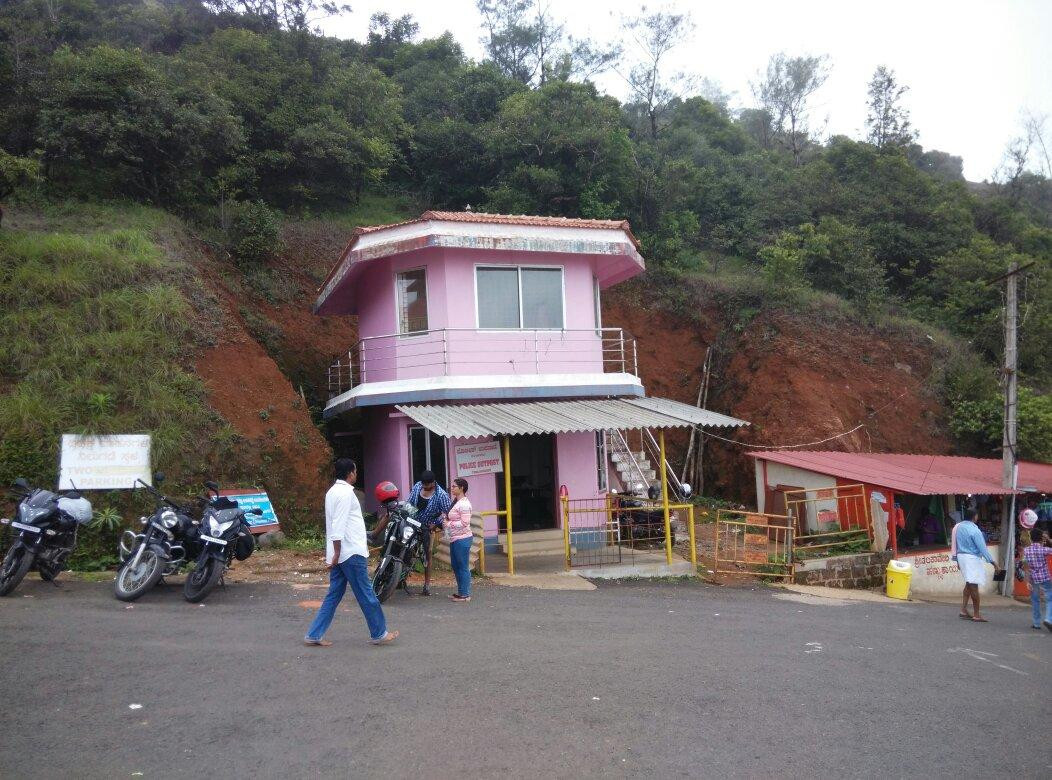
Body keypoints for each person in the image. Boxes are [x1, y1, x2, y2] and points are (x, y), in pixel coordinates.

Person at [304, 459, 397, 647]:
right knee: (366, 593)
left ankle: (314, 634)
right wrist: (337, 553)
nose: (356, 474)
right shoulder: (346, 494)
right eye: (355, 471)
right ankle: (379, 633)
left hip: (341, 553)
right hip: (350, 553)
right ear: (350, 473)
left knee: (334, 594)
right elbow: (338, 525)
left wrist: (335, 554)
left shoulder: (332, 492)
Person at [368, 469, 451, 595]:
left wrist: (436, 524)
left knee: (427, 553)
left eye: (426, 485)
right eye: (423, 484)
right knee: (391, 514)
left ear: (433, 483)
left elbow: (448, 513)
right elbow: (409, 502)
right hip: (410, 519)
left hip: (426, 527)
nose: (424, 487)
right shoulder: (417, 486)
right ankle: (374, 535)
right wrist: (401, 510)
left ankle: (427, 585)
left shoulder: (442, 495)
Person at [951, 508, 1001, 623]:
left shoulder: (958, 527)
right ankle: (976, 614)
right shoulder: (975, 530)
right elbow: (983, 548)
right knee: (973, 586)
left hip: (961, 557)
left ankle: (963, 610)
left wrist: (956, 560)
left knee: (969, 584)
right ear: (975, 517)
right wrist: (994, 563)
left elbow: (954, 545)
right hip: (971, 558)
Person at [445, 478, 474, 603]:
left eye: (454, 486)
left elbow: (464, 523)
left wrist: (449, 524)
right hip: (454, 538)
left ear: (461, 488)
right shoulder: (456, 502)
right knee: (456, 566)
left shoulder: (464, 504)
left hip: (462, 538)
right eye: (452, 486)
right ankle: (461, 592)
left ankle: (465, 594)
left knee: (463, 566)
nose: (452, 488)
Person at [1021, 528, 1052, 632]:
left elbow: (1025, 566)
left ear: (1031, 538)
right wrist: (1048, 539)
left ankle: (1036, 623)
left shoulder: (1026, 550)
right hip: (1045, 577)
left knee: (1035, 600)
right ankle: (1048, 619)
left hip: (1033, 578)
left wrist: (1027, 581)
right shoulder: (1043, 549)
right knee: (1050, 599)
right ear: (1041, 538)